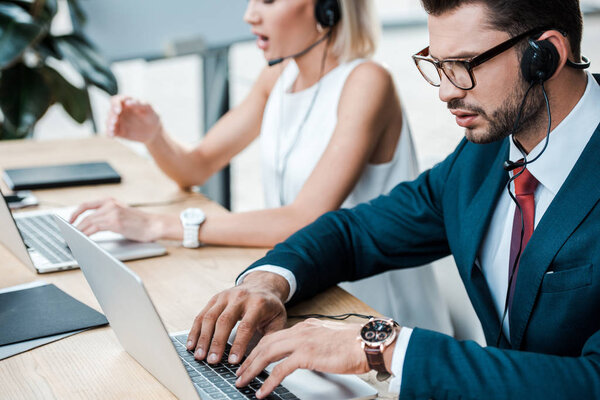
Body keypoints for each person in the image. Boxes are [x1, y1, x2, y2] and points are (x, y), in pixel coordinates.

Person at [184, 0, 600, 398]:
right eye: (438, 66)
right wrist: (269, 281)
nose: (446, 92)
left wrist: (383, 348)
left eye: (464, 65)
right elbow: (356, 232)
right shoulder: (485, 154)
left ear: (546, 54)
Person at [69, 0, 453, 333]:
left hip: (375, 317)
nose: (250, 14)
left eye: (268, 0)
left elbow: (306, 218)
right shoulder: (278, 77)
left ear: (327, 7)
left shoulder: (367, 80)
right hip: (304, 294)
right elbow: (197, 166)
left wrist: (157, 225)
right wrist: (155, 136)